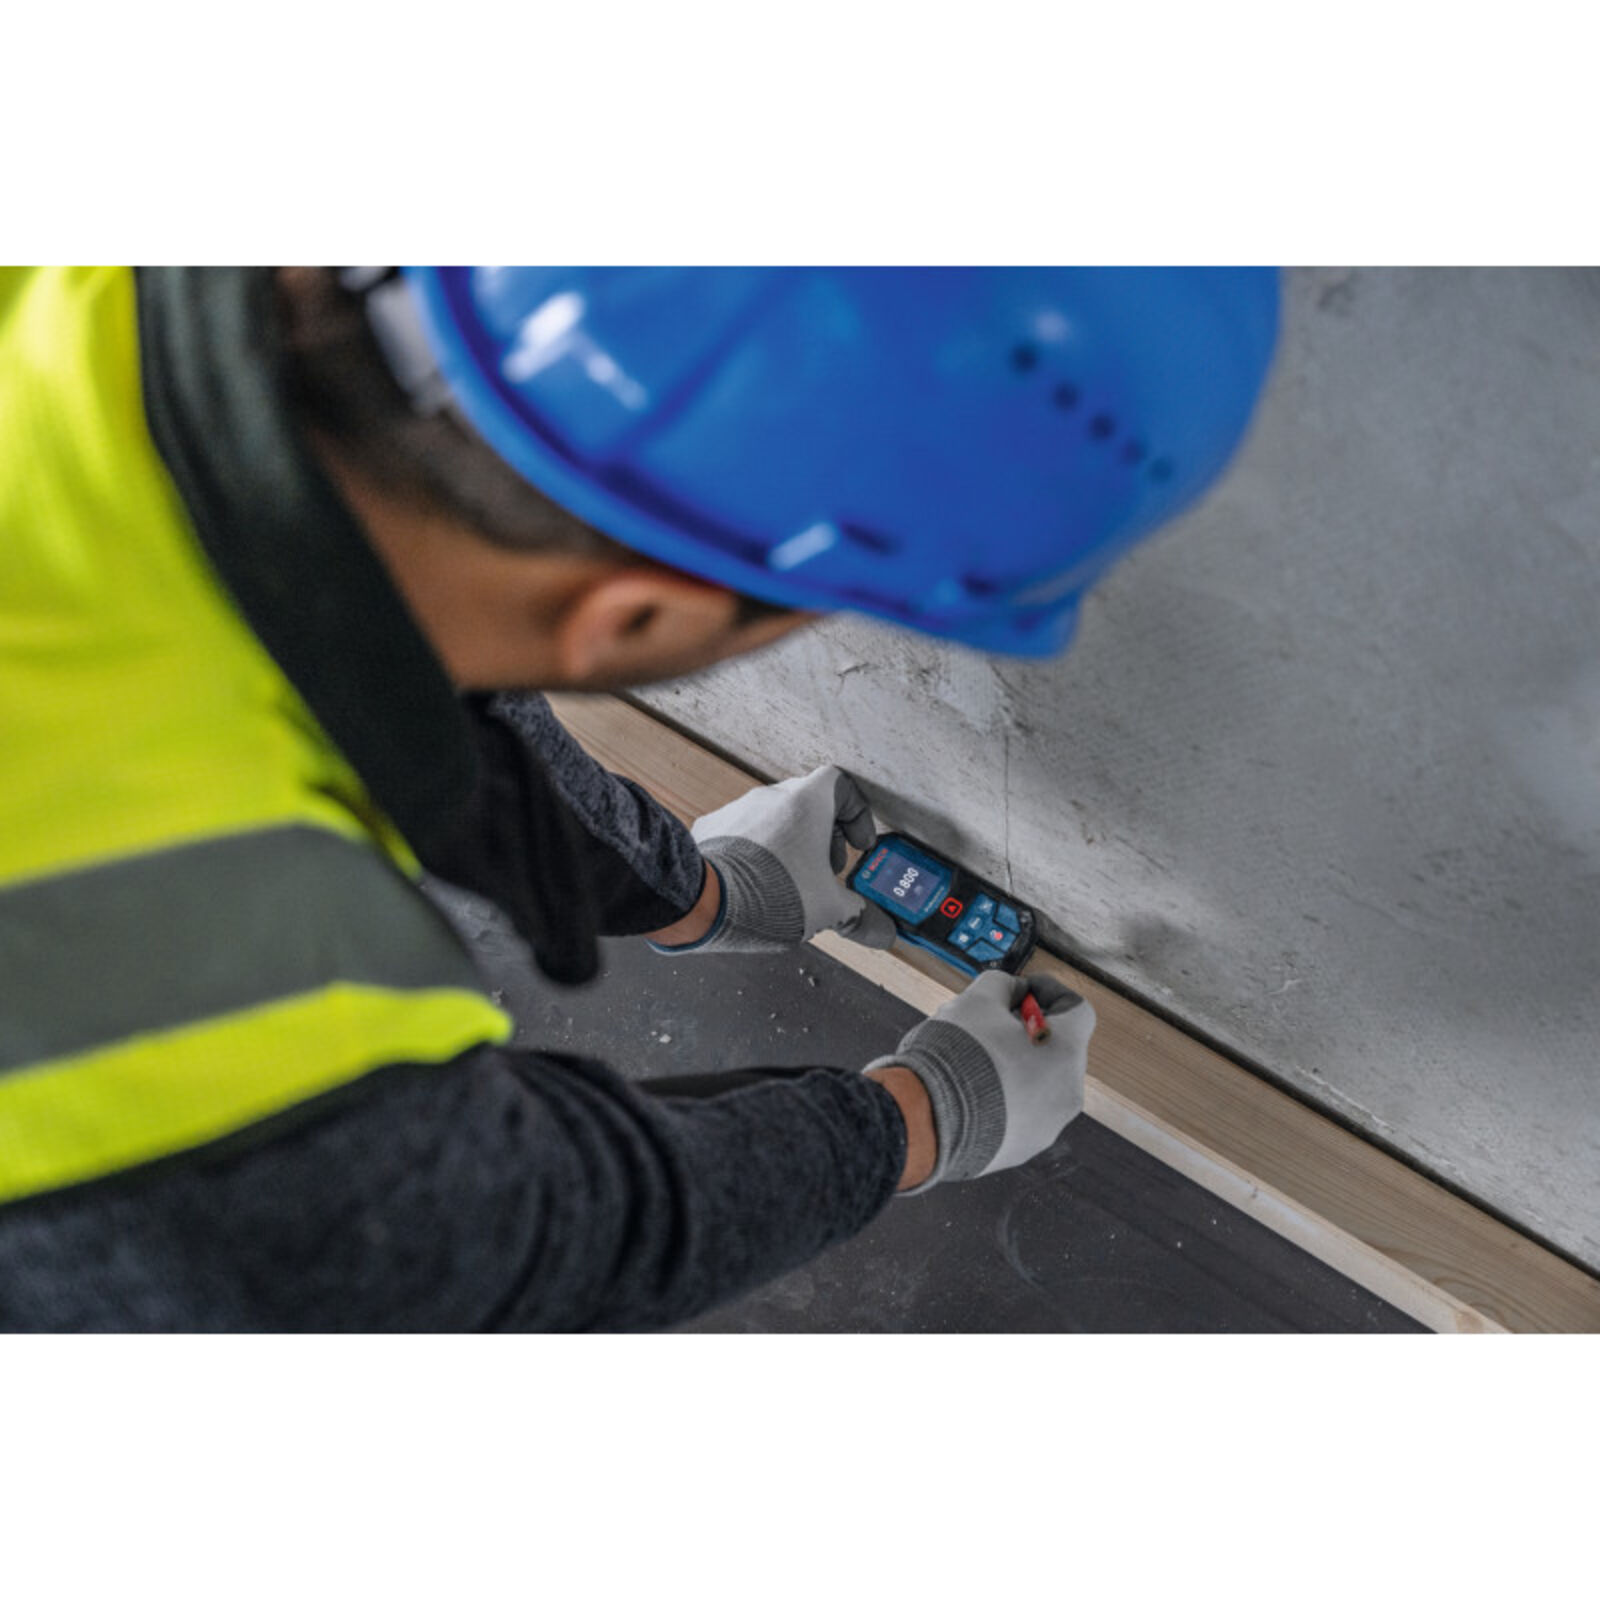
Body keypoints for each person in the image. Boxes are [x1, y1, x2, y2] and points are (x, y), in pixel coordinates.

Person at [0, 266, 1278, 1330]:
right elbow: (529, 1237)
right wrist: (919, 1119)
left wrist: (692, 891)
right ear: (641, 618)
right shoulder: (218, 1078)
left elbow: (407, 666)